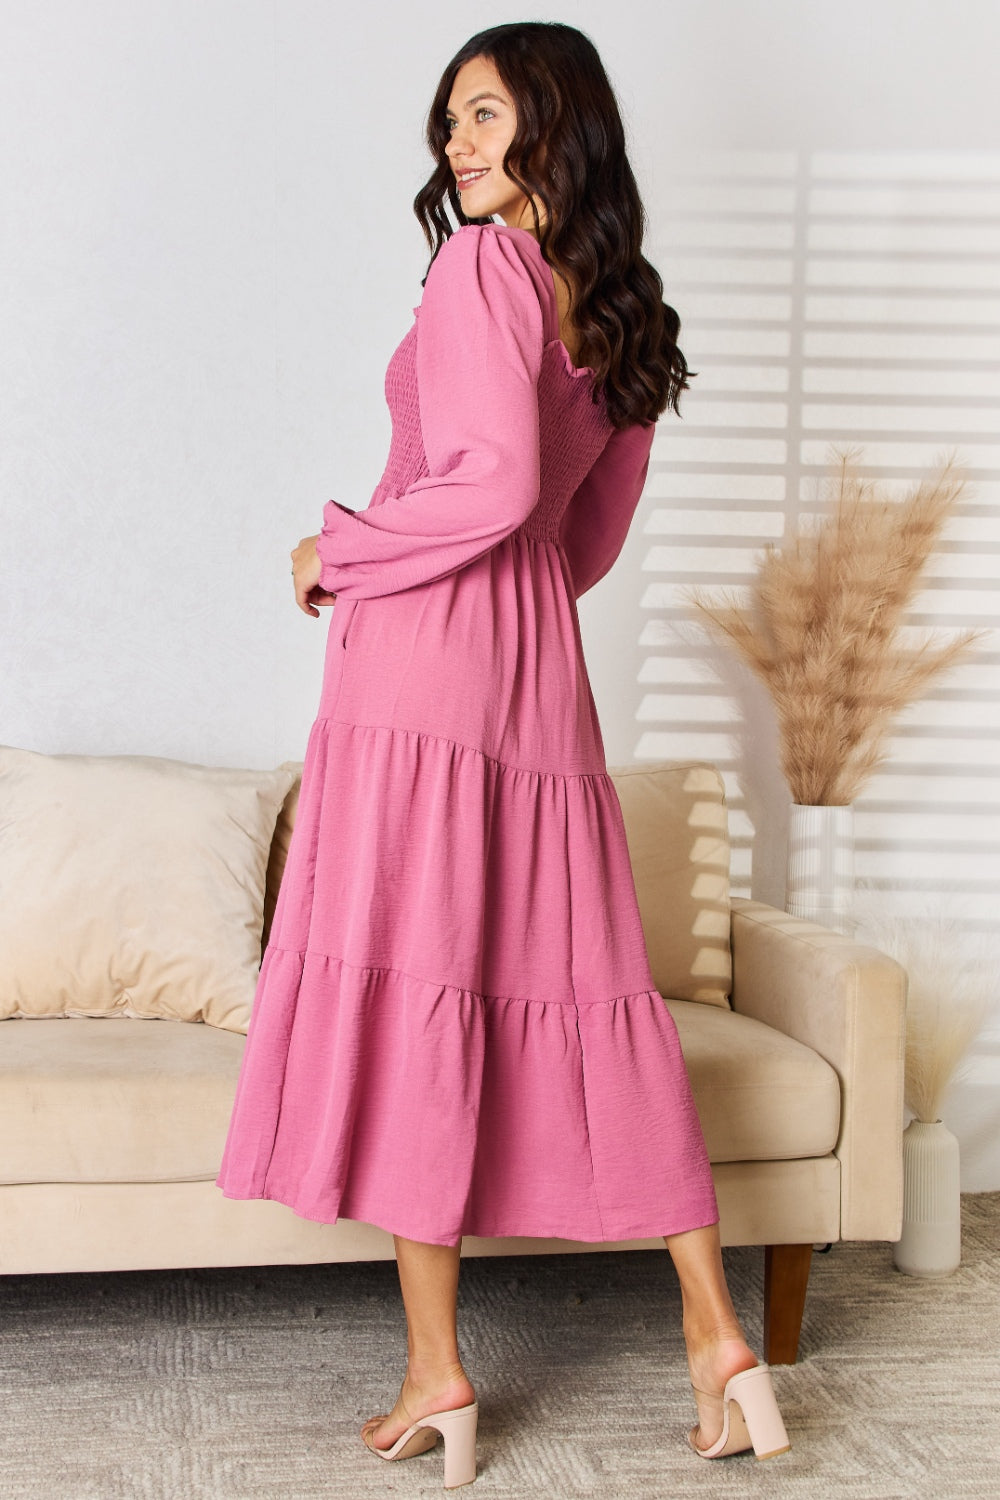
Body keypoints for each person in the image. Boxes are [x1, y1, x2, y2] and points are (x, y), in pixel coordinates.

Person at [216, 19, 790, 1488]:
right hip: (540, 672)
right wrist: (508, 593)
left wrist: (340, 546)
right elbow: (575, 535)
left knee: (424, 982)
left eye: (485, 116)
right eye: (451, 122)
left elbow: (491, 481)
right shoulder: (618, 305)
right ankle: (723, 1339)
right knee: (591, 984)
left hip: (427, 666)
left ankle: (438, 1371)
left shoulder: (480, 269)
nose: (457, 145)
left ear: (557, 127)